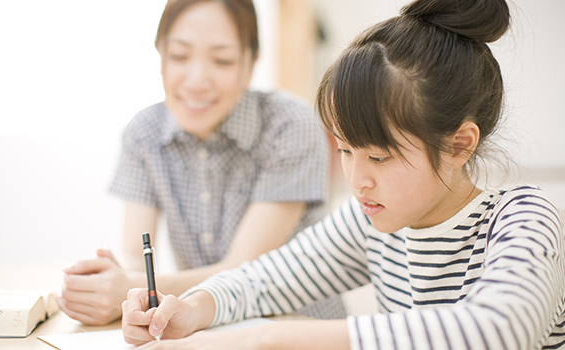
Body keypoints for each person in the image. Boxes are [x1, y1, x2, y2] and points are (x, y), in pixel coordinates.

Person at [120, 0, 565, 348]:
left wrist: (265, 339)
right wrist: (193, 309)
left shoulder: (524, 217)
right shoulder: (370, 221)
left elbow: (502, 329)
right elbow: (265, 279)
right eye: (345, 150)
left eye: (379, 157)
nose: (357, 180)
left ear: (459, 145)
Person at [55, 0, 346, 325]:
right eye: (179, 56)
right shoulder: (143, 133)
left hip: (300, 329)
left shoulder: (290, 124)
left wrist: (128, 286)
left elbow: (242, 269)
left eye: (222, 60)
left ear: (250, 64)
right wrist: (111, 280)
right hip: (202, 330)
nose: (196, 80)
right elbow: (137, 259)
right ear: (161, 58)